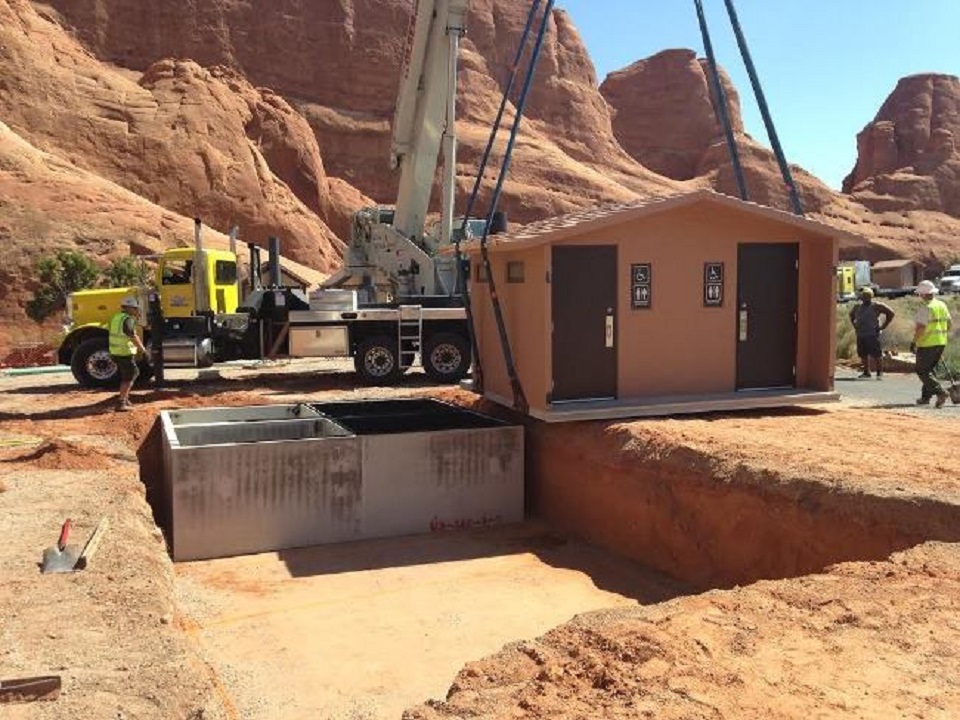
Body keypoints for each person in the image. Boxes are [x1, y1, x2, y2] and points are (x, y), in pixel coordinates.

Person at [910, 280, 953, 408]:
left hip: (927, 344)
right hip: (940, 342)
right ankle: (925, 397)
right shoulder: (942, 305)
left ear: (922, 294)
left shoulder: (926, 308)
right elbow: (949, 323)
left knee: (921, 370)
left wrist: (914, 342)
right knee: (929, 370)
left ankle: (941, 392)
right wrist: (941, 336)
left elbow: (920, 328)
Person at [108, 296, 148, 412]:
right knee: (130, 376)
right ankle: (121, 403)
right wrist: (143, 350)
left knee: (129, 374)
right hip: (123, 352)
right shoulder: (127, 319)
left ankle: (125, 399)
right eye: (135, 308)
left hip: (115, 352)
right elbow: (132, 335)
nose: (136, 310)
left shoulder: (116, 317)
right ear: (129, 308)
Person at [848, 287, 895, 379]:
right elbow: (851, 315)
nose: (864, 297)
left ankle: (879, 373)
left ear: (870, 296)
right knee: (863, 354)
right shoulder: (857, 307)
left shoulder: (876, 306)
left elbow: (891, 313)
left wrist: (883, 326)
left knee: (876, 354)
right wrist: (855, 326)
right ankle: (866, 372)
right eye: (863, 296)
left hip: (872, 334)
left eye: (866, 296)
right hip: (861, 334)